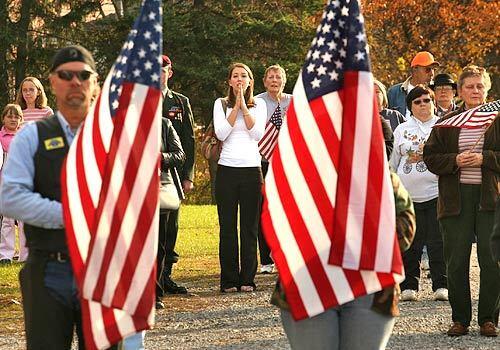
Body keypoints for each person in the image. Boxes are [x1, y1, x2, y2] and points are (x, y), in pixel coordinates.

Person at [0, 45, 100, 348]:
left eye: (82, 75)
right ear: (53, 82)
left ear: (95, 81)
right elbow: (11, 197)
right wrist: (71, 214)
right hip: (47, 270)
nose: (74, 82)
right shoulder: (31, 136)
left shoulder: (113, 136)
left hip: (102, 269)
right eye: (65, 75)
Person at [275, 171, 416, 349]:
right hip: (309, 285)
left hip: (370, 290)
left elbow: (405, 232)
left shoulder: (379, 173)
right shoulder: (299, 166)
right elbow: (279, 224)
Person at [423, 65, 499, 337]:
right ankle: (460, 319)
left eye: (480, 86)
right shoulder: (447, 123)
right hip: (455, 199)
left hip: (490, 199)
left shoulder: (497, 118)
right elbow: (430, 158)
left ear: (486, 89)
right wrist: (454, 160)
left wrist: (485, 159)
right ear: (461, 90)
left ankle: (488, 319)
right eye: (470, 86)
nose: (475, 91)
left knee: (491, 261)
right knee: (456, 261)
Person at [389, 85, 447, 302]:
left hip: (436, 192)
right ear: (410, 106)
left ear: (433, 102)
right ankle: (409, 286)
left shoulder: (442, 126)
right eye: (417, 102)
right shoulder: (402, 129)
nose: (423, 105)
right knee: (410, 241)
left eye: (426, 100)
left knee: (437, 241)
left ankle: (441, 285)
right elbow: (393, 162)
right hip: (408, 194)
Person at [213, 62, 266, 292]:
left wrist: (245, 105)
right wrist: (235, 105)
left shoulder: (260, 104)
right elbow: (221, 132)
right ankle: (229, 280)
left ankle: (247, 279)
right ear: (229, 81)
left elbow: (257, 133)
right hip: (227, 170)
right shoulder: (220, 104)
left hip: (251, 170)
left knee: (249, 227)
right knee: (227, 227)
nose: (239, 80)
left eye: (244, 76)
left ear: (250, 82)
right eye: (235, 76)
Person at [159, 55, 195, 294]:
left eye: (163, 70)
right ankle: (153, 280)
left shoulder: (180, 102)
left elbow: (189, 141)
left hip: (174, 175)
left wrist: (189, 175)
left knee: (171, 227)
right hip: (148, 178)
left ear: (169, 73)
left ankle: (166, 276)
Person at [255, 64, 292, 274]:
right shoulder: (257, 101)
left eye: (278, 77)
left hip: (287, 164)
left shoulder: (292, 102)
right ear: (264, 80)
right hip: (262, 163)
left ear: (284, 81)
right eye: (270, 77)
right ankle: (266, 261)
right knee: (263, 211)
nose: (274, 80)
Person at [156, 116, 185, 309]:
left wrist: (161, 157)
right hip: (129, 190)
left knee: (158, 246)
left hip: (160, 188)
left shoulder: (164, 124)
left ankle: (154, 294)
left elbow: (179, 155)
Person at [0, 104, 27, 263]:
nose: (13, 119)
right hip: (6, 184)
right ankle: (5, 255)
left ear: (21, 120)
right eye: (9, 116)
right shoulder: (0, 138)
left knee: (24, 222)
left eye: (16, 117)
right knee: (8, 222)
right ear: (3, 118)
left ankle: (25, 255)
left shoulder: (25, 137)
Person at [387, 51, 439, 119]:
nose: (432, 74)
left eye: (433, 69)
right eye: (428, 69)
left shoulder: (435, 92)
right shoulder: (394, 92)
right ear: (415, 69)